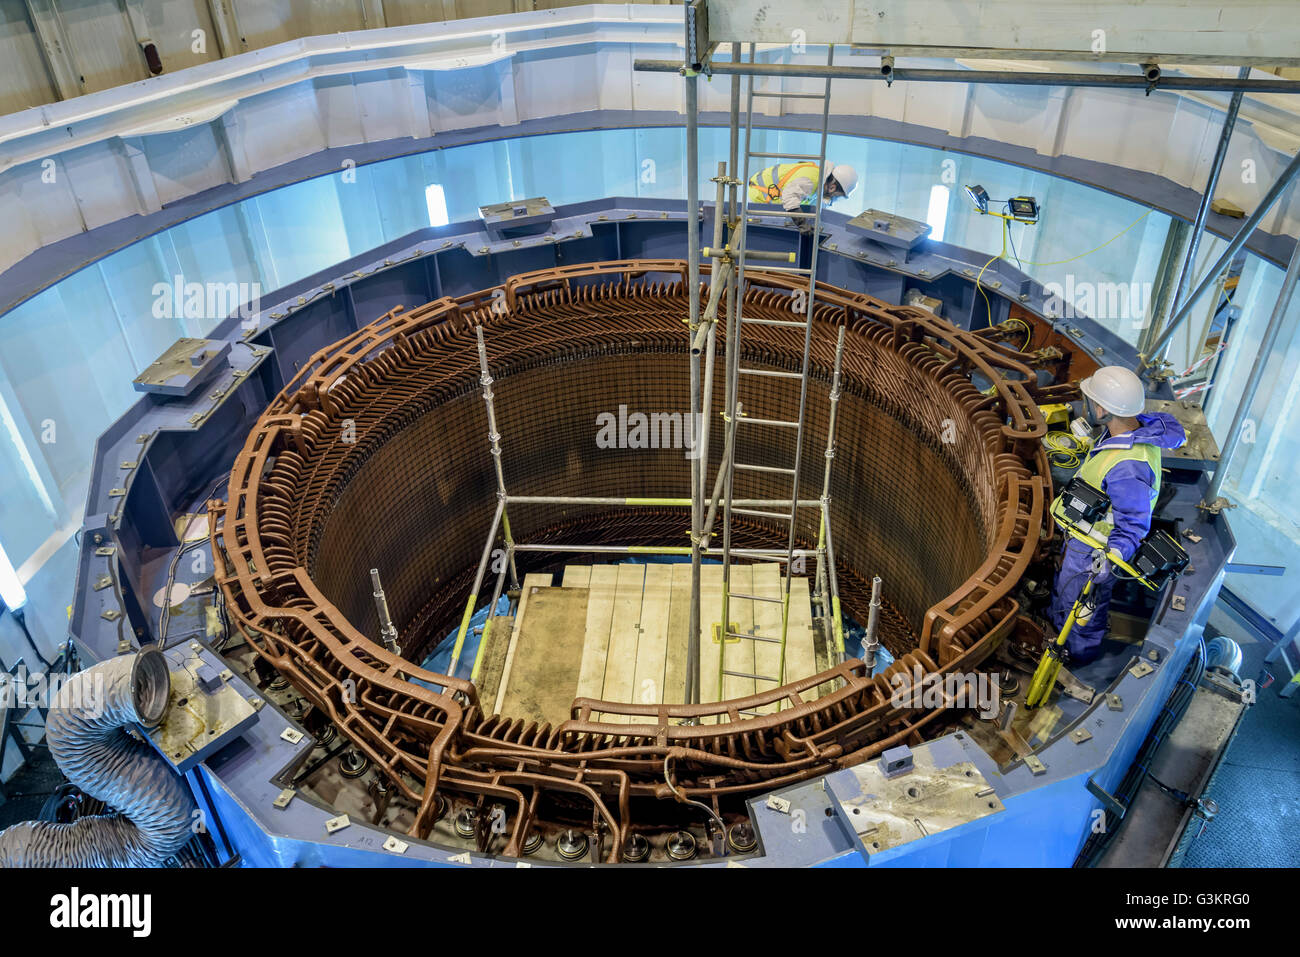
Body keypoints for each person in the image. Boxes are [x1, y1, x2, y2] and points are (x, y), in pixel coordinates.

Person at [1047, 365, 1186, 665]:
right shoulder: (1129, 431)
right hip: (1082, 540)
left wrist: (1109, 560)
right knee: (1067, 596)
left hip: (1092, 553)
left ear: (1102, 409)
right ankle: (1056, 625)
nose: (1085, 404)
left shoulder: (1128, 468)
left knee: (1082, 610)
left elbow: (1133, 525)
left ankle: (1075, 655)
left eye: (1090, 400)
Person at [747, 162, 858, 234]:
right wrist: (802, 223)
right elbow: (789, 197)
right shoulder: (812, 180)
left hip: (762, 190)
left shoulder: (818, 177)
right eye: (836, 196)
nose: (833, 200)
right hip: (759, 194)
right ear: (832, 188)